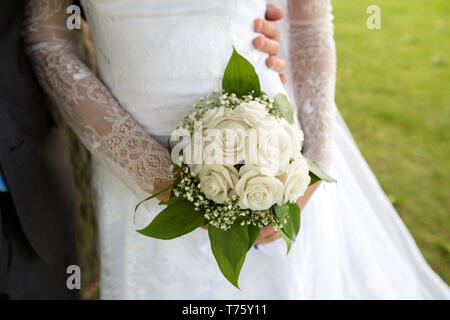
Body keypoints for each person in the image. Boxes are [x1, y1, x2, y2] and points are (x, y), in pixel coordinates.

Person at [24, 0, 449, 299]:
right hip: (134, 178)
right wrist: (150, 171)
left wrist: (314, 163)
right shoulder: (141, 173)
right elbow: (49, 42)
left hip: (274, 159)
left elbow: (308, 24)